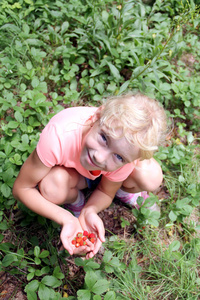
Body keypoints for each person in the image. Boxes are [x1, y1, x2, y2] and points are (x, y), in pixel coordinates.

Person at [12, 93, 167, 259]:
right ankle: (75, 200)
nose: (99, 157)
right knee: (51, 187)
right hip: (72, 175)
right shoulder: (59, 136)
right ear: (97, 117)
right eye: (104, 138)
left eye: (119, 156)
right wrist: (66, 218)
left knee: (151, 176)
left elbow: (106, 192)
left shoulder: (125, 152)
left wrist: (90, 210)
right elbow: (22, 188)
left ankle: (124, 189)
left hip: (107, 173)